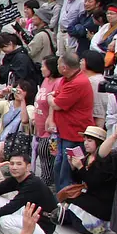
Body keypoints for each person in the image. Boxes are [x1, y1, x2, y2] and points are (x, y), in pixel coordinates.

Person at [46, 51, 95, 191]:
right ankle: (60, 196)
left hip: (75, 133)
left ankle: (66, 198)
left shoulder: (78, 82)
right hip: (64, 132)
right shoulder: (66, 79)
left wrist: (50, 98)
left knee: (67, 169)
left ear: (64, 67)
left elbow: (56, 103)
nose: (57, 67)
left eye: (58, 64)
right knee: (59, 164)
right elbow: (56, 95)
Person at [58, 124, 116, 234]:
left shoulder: (106, 160)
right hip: (90, 195)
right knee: (69, 199)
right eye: (85, 140)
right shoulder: (87, 157)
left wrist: (80, 167)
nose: (86, 143)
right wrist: (74, 167)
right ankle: (65, 216)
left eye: (89, 141)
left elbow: (95, 182)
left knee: (75, 203)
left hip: (103, 199)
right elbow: (79, 179)